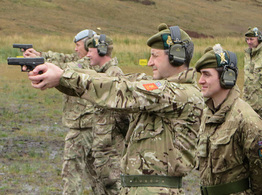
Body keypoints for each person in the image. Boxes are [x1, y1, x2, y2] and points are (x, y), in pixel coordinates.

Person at [25, 23, 204, 194]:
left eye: (155, 56)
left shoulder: (180, 93)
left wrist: (64, 77)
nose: (150, 62)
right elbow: (115, 81)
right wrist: (58, 75)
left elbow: (121, 90)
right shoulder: (163, 89)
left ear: (177, 55)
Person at [24, 29, 104, 195]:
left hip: (83, 126)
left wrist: (44, 65)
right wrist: (39, 57)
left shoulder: (90, 64)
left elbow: (68, 67)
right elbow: (63, 59)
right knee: (97, 175)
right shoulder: (86, 60)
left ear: (89, 45)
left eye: (78, 45)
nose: (75, 49)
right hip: (91, 126)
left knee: (71, 172)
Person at [195, 44, 262, 195]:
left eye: (206, 74)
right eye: (201, 74)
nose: (200, 80)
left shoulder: (247, 120)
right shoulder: (207, 115)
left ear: (227, 77)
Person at [84, 34, 129, 195]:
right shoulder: (102, 73)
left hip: (112, 152)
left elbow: (124, 114)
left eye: (90, 51)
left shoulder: (114, 74)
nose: (87, 54)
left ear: (102, 51)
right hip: (103, 150)